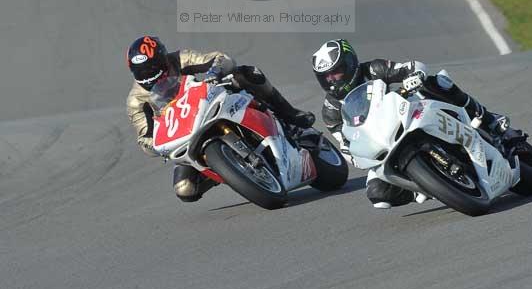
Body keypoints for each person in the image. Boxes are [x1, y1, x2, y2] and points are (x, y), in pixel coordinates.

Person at [312, 38, 512, 210]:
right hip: (381, 142)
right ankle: (426, 185)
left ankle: (488, 119)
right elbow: (345, 145)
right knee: (377, 193)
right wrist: (358, 155)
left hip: (407, 113)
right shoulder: (330, 111)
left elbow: (411, 67)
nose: (331, 80)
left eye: (335, 72)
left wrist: (414, 76)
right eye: (326, 76)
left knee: (438, 83)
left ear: (350, 63)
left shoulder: (373, 69)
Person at [126, 35, 315, 203]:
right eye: (141, 72)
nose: (148, 75)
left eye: (152, 67)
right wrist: (158, 147)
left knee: (246, 74)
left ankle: (288, 113)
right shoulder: (136, 100)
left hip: (207, 102)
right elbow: (145, 138)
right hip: (184, 133)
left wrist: (214, 72)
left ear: (163, 59)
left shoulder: (179, 59)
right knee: (185, 189)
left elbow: (221, 58)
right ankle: (233, 171)